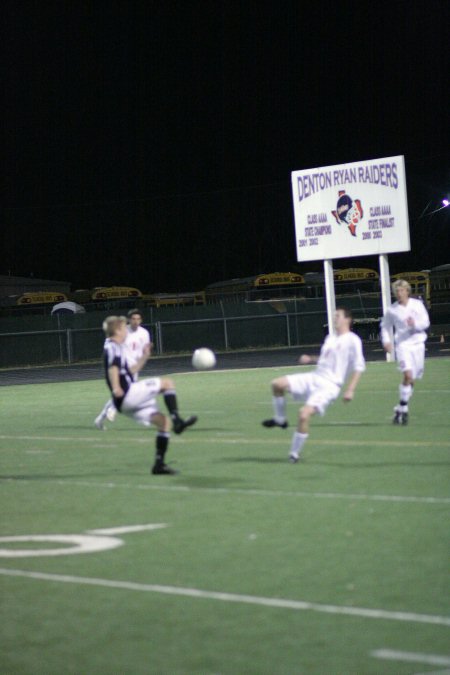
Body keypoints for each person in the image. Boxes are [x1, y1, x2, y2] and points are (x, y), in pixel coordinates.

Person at [262, 308, 365, 462]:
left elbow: (359, 366)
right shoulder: (331, 338)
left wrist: (350, 389)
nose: (334, 318)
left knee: (304, 414)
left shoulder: (352, 340)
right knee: (277, 384)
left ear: (347, 320)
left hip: (329, 386)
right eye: (334, 316)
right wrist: (310, 358)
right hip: (314, 377)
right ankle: (280, 419)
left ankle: (294, 454)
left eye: (338, 316)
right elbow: (325, 360)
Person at [101, 315, 197, 475]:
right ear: (117, 330)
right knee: (167, 383)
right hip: (126, 395)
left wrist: (145, 355)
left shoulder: (117, 348)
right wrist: (116, 387)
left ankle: (159, 465)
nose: (126, 331)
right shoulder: (112, 346)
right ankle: (178, 421)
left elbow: (131, 372)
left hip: (125, 401)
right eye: (124, 328)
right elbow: (113, 367)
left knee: (163, 423)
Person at [380, 279, 430, 424]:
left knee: (412, 379)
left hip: (418, 345)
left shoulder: (417, 305)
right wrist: (386, 341)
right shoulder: (392, 310)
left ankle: (400, 407)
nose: (399, 293)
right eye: (397, 291)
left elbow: (426, 322)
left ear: (407, 291)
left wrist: (415, 324)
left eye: (402, 290)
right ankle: (404, 407)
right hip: (403, 346)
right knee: (407, 375)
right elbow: (384, 326)